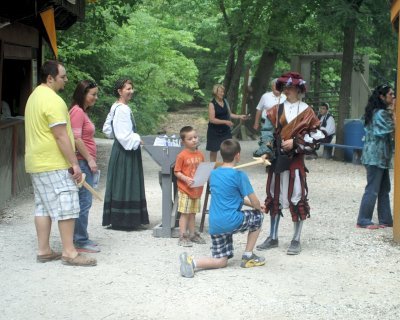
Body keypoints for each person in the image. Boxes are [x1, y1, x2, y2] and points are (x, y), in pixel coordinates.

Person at [24, 60, 96, 266]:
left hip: (36, 162)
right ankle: (70, 252)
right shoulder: (53, 101)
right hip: (52, 162)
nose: (66, 81)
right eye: (62, 77)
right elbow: (61, 136)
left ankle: (44, 250)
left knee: (43, 206)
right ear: (50, 78)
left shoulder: (34, 97)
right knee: (67, 201)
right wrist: (74, 164)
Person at [255, 71, 326, 255]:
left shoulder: (308, 111)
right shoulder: (274, 110)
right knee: (274, 195)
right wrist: (265, 151)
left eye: (291, 88)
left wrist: (296, 142)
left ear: (298, 89)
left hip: (295, 160)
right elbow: (267, 133)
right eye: (285, 87)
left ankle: (296, 239)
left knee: (296, 196)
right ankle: (273, 236)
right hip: (277, 159)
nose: (287, 91)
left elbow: (317, 136)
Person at [179, 139, 265, 278]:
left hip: (215, 223)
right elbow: (255, 201)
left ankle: (192, 262)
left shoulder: (213, 174)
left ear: (221, 155)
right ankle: (248, 255)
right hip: (231, 221)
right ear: (238, 155)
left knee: (221, 261)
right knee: (258, 217)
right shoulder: (239, 175)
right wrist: (258, 207)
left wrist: (253, 205)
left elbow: (232, 197)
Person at [102, 78, 149, 230]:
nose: (131, 91)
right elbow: (124, 136)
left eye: (131, 88)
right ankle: (125, 219)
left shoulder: (116, 106)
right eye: (127, 89)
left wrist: (122, 137)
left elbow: (107, 130)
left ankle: (121, 218)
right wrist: (137, 139)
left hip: (120, 150)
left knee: (121, 182)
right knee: (126, 181)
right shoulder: (122, 109)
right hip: (125, 152)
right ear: (119, 91)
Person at [356, 84, 395, 229]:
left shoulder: (376, 111)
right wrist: (394, 111)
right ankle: (363, 220)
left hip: (381, 157)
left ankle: (386, 219)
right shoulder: (380, 114)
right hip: (375, 156)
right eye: (391, 94)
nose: (393, 97)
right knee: (372, 189)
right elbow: (393, 127)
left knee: (384, 188)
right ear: (382, 97)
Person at [69, 80, 100, 253]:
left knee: (84, 201)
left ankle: (80, 237)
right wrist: (89, 159)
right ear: (83, 94)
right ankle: (80, 240)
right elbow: (76, 138)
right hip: (82, 161)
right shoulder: (77, 112)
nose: (96, 97)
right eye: (93, 94)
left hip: (84, 161)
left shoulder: (81, 112)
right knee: (84, 202)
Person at [174, 126, 206, 247]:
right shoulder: (182, 155)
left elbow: (202, 169)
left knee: (193, 213)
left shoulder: (200, 155)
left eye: (195, 137)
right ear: (183, 142)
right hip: (185, 189)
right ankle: (182, 236)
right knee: (185, 213)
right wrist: (185, 179)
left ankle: (192, 234)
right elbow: (177, 172)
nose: (194, 140)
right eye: (190, 138)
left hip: (197, 189)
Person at [206, 84, 248, 162]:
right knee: (214, 150)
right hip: (214, 131)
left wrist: (240, 116)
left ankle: (227, 165)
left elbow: (230, 114)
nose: (222, 93)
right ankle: (212, 168)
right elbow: (212, 119)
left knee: (229, 148)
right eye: (220, 92)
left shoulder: (225, 101)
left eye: (223, 92)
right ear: (215, 92)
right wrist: (225, 122)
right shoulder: (212, 104)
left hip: (225, 131)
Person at [253, 79, 287, 157]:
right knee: (267, 139)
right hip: (266, 123)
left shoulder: (285, 97)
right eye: (275, 85)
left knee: (279, 141)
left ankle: (276, 157)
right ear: (272, 87)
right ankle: (266, 156)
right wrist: (256, 123)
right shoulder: (265, 96)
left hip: (280, 124)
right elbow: (259, 109)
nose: (277, 87)